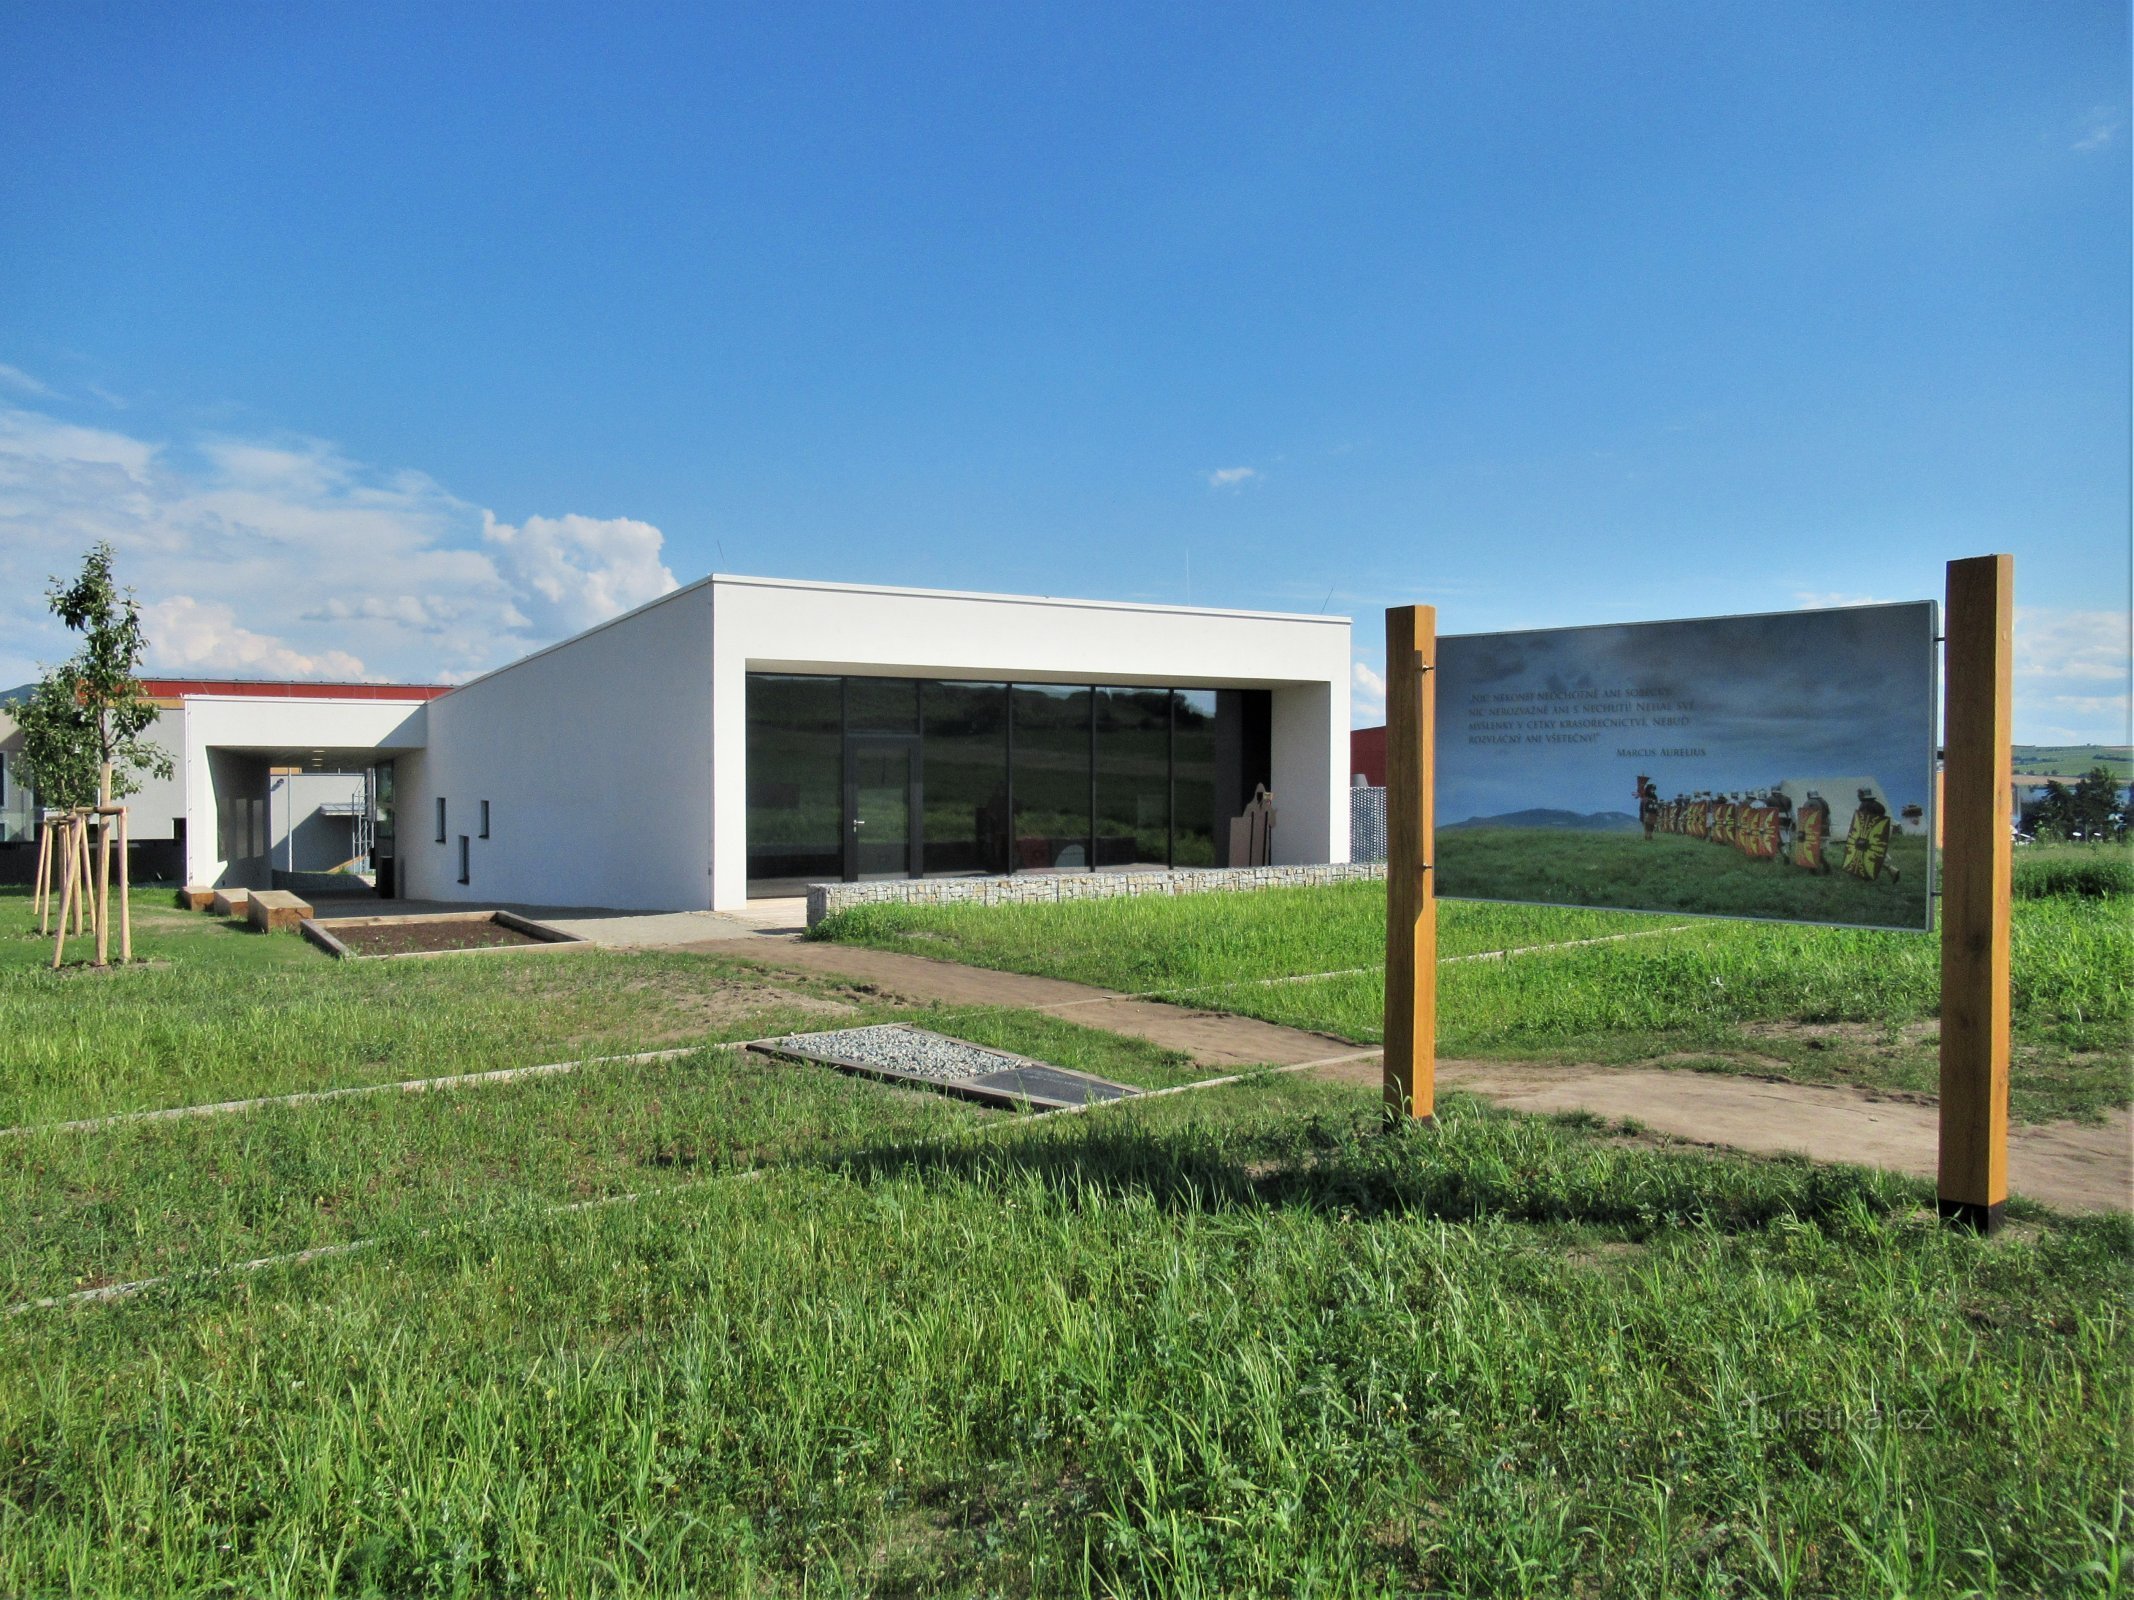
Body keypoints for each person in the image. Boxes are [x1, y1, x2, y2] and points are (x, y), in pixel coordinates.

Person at [1842, 788, 1901, 883]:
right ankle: (1890, 870)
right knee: (1877, 854)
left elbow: (1864, 823)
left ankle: (1871, 874)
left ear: (1863, 795)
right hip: (1878, 835)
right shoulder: (1878, 805)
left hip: (1867, 837)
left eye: (1859, 794)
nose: (1858, 796)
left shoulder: (1864, 805)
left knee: (1868, 856)